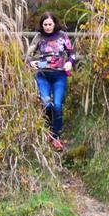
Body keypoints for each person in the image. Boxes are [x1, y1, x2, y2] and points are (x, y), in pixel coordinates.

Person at [28, 12, 75, 151]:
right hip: (43, 75)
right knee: (47, 104)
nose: (48, 27)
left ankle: (56, 136)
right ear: (42, 25)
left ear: (54, 24)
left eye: (50, 24)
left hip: (59, 76)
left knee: (58, 106)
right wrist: (32, 62)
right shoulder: (38, 37)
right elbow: (28, 56)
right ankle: (48, 130)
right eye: (45, 25)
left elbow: (72, 53)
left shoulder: (62, 36)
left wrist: (70, 63)